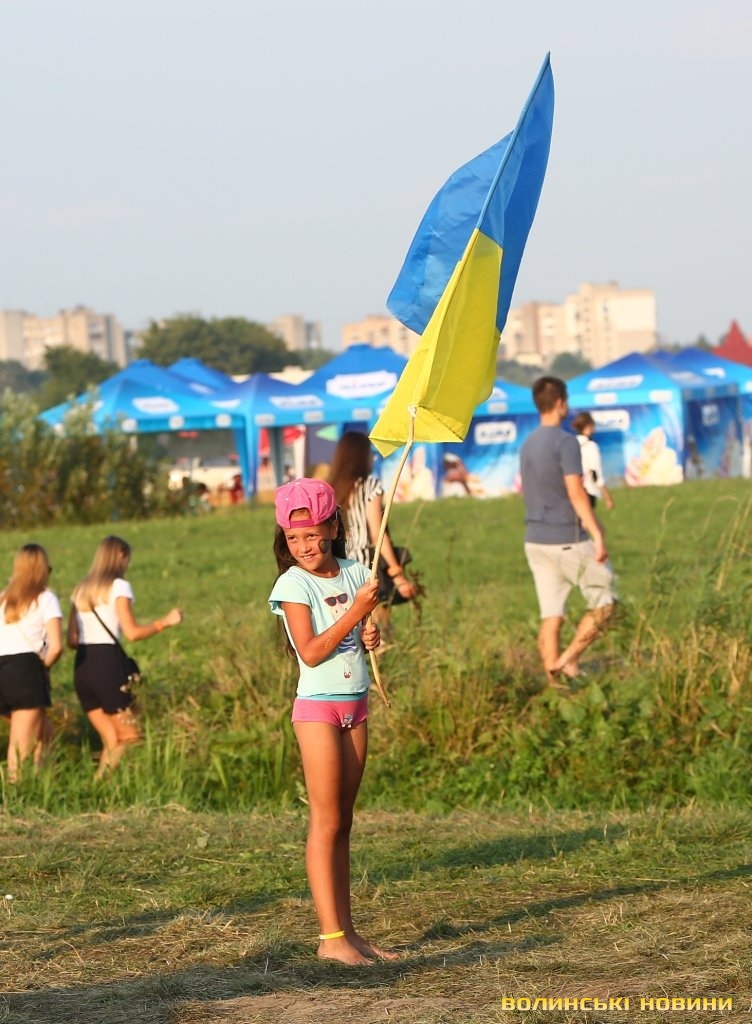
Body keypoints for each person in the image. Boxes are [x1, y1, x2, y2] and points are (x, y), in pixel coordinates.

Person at [268, 478, 395, 965]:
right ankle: (330, 939)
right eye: (293, 538)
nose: (303, 546)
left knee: (343, 822)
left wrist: (369, 633)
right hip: (318, 710)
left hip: (356, 705)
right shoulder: (292, 584)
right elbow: (312, 650)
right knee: (324, 822)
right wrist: (356, 611)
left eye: (312, 535)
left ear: (334, 528)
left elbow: (355, 636)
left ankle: (349, 933)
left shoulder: (357, 572)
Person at [520, 377, 615, 685]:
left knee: (552, 614)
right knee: (604, 604)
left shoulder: (527, 444)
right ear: (561, 402)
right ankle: (566, 661)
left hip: (535, 541)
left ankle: (554, 683)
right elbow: (576, 493)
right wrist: (597, 533)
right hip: (567, 538)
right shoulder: (566, 442)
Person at [68, 535, 183, 777]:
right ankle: (103, 786)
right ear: (121, 556)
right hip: (107, 663)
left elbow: (72, 639)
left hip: (82, 666)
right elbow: (132, 633)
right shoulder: (119, 586)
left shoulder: (80, 589)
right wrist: (165, 622)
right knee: (130, 736)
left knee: (112, 739)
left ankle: (98, 788)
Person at [328, 431, 417, 637]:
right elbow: (377, 534)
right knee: (379, 631)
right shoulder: (370, 486)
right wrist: (397, 573)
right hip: (366, 566)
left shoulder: (330, 488)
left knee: (349, 630)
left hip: (339, 565)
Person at [0, 544, 63, 783]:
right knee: (19, 750)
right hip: (26, 672)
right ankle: (15, 797)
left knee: (47, 736)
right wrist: (43, 669)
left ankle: (43, 784)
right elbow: (56, 647)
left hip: (1, 671)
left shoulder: (2, 599)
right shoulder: (46, 598)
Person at [570, 412, 615, 510]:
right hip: (588, 491)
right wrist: (607, 496)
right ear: (589, 425)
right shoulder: (591, 446)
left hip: (572, 491)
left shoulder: (570, 444)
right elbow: (596, 473)